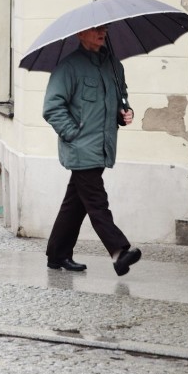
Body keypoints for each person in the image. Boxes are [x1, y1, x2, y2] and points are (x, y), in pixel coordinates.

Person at [42, 24, 141, 276]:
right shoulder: (68, 67)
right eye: (95, 29)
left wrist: (125, 113)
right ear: (80, 33)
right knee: (97, 202)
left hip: (104, 145)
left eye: (105, 28)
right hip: (80, 148)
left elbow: (121, 99)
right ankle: (119, 253)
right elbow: (52, 107)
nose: (102, 32)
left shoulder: (114, 67)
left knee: (75, 203)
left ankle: (57, 254)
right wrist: (73, 133)